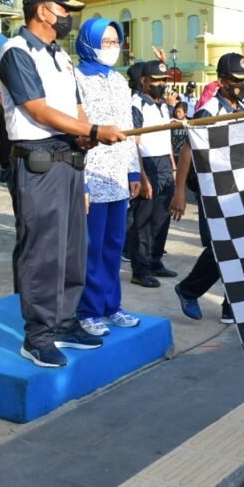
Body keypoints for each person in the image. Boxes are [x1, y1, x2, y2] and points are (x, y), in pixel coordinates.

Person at [0, 0, 126, 368]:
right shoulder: (16, 52)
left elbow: (75, 106)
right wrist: (90, 131)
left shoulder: (60, 56)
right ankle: (38, 335)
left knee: (72, 248)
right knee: (42, 252)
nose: (68, 17)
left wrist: (86, 136)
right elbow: (36, 109)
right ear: (43, 10)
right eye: (64, 9)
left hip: (70, 159)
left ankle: (65, 321)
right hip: (38, 162)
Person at [170, 53, 244, 323]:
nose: (243, 85)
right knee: (221, 247)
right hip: (213, 188)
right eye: (236, 80)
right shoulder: (209, 111)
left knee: (242, 247)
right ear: (222, 82)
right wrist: (179, 191)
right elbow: (187, 149)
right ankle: (189, 289)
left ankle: (232, 304)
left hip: (239, 187)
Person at [73, 18, 143, 336]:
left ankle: (111, 306)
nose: (113, 48)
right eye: (106, 41)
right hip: (91, 174)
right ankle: (87, 310)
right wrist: (81, 180)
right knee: (91, 248)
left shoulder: (119, 80)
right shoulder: (75, 78)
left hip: (116, 177)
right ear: (88, 41)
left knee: (114, 246)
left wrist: (132, 170)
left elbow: (128, 129)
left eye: (116, 41)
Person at [127, 59, 179, 288]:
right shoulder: (136, 104)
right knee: (144, 223)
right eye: (156, 80)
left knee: (162, 218)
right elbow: (134, 143)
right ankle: (140, 269)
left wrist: (173, 167)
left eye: (163, 80)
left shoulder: (162, 105)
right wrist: (142, 177)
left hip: (165, 165)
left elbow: (166, 138)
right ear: (143, 81)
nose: (161, 84)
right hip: (146, 164)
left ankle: (155, 261)